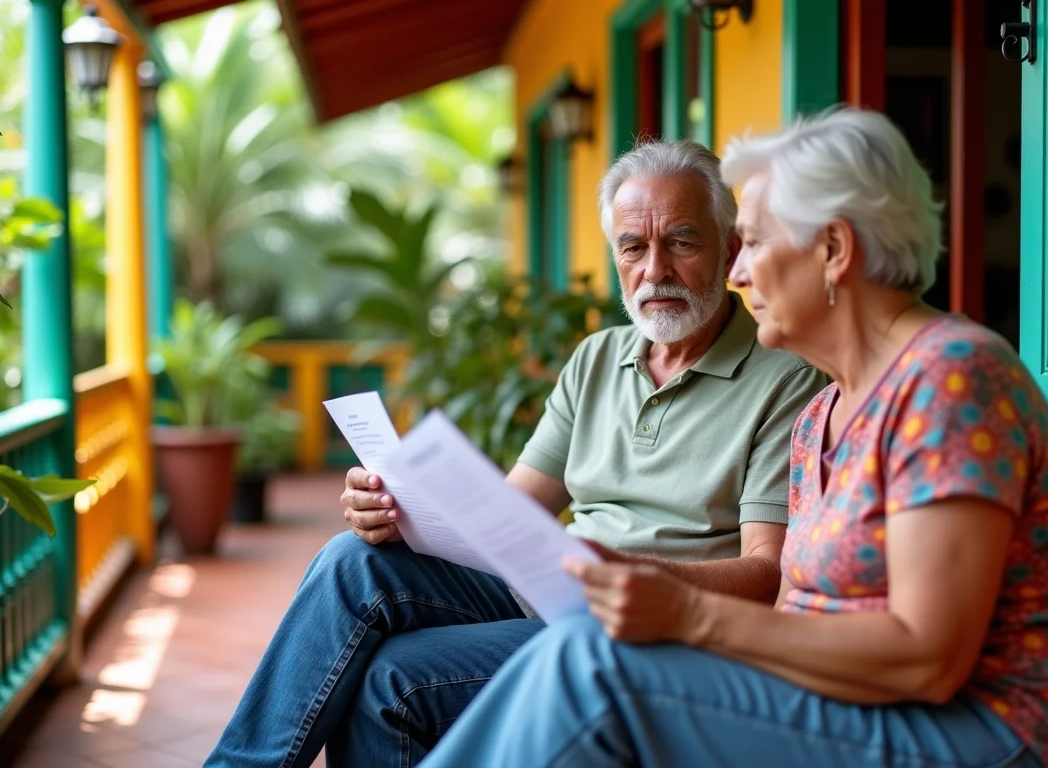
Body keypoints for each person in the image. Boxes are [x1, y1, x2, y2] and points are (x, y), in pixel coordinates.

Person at [419, 107, 1048, 768]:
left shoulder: (951, 382)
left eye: (757, 243)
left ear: (833, 250)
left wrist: (687, 615)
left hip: (971, 733)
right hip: (840, 702)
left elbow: (927, 660)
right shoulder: (824, 411)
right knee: (573, 652)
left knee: (593, 668)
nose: (737, 274)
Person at [205, 140, 828, 768]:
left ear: (728, 249)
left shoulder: (785, 380)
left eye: (683, 242)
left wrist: (623, 567)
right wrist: (398, 510)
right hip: (552, 588)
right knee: (352, 560)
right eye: (633, 247)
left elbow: (763, 575)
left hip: (649, 627)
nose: (655, 270)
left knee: (392, 677)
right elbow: (509, 509)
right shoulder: (597, 359)